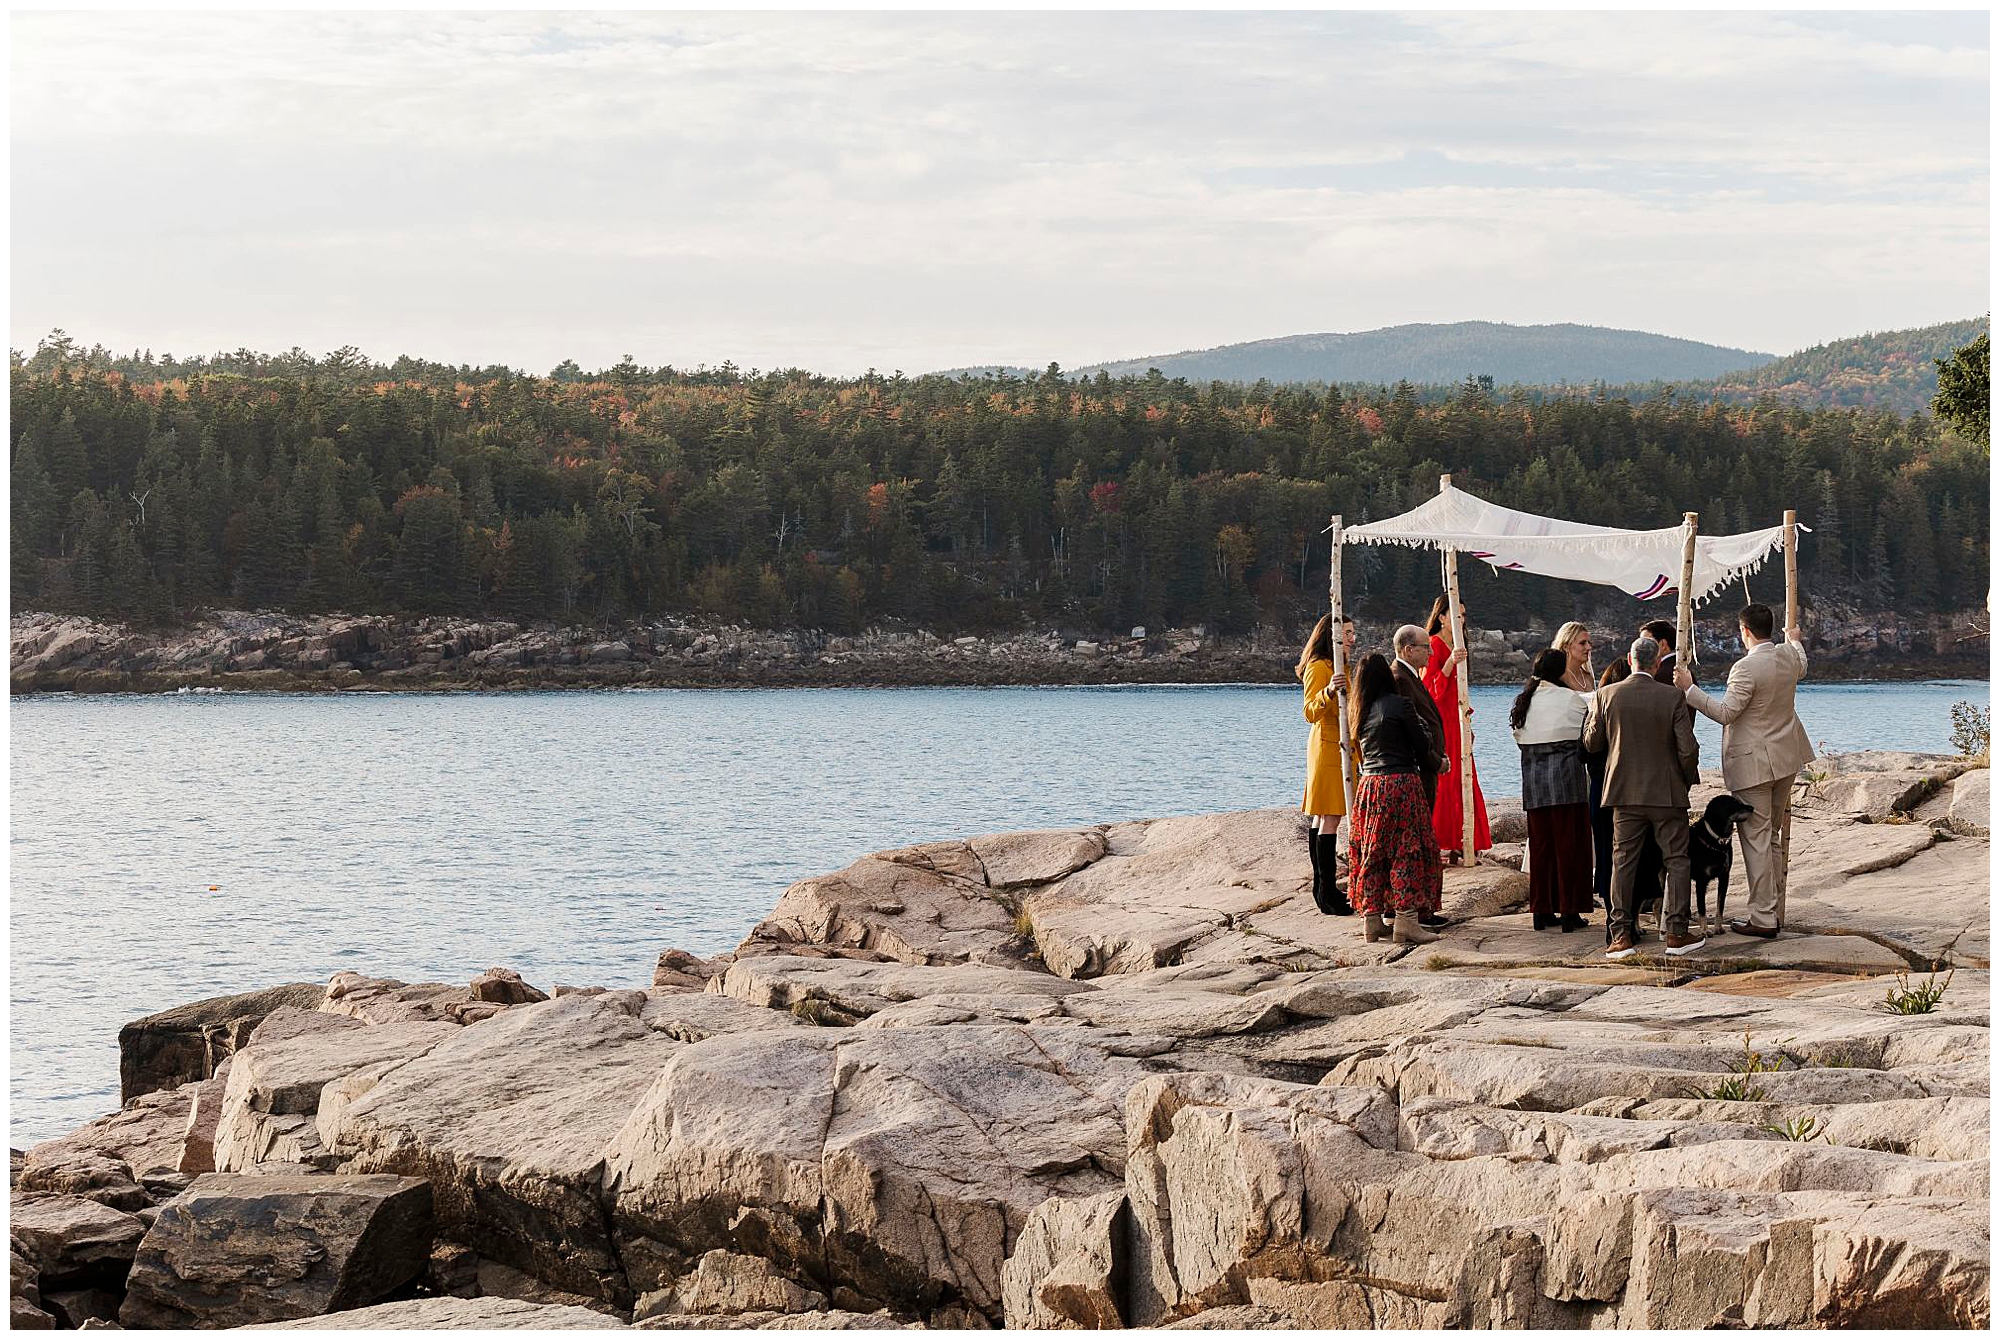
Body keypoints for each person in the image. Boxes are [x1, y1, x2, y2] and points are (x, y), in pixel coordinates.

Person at [1675, 603, 1812, 938]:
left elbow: (1725, 713)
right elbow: (1803, 665)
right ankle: (1771, 909)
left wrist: (1689, 690)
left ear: (1744, 631)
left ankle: (1763, 918)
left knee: (1757, 840)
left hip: (1753, 765)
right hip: (1785, 757)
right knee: (1772, 837)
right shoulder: (1789, 656)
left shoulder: (1746, 668)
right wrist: (1794, 640)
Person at [1585, 636, 1703, 960]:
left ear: (1630, 658)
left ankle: (1620, 935)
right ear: (1656, 663)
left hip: (1623, 791)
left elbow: (1592, 742)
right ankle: (1677, 932)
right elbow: (1688, 748)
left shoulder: (1606, 694)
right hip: (1666, 792)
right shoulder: (1673, 697)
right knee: (1677, 860)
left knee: (1623, 861)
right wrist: (1685, 779)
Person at [1348, 653, 1445, 945]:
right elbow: (1421, 742)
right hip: (1401, 783)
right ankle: (1406, 922)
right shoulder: (1400, 705)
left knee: (1372, 854)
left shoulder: (1359, 711)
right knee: (1407, 853)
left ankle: (1372, 922)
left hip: (1370, 786)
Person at [1510, 648, 1592, 932]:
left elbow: (1519, 738)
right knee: (1570, 848)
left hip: (1534, 783)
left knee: (1542, 849)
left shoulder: (1525, 701)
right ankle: (1570, 911)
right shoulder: (1570, 699)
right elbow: (1589, 735)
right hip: (1567, 782)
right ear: (1561, 671)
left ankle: (1541, 910)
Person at [1389, 624, 1451, 928]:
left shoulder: (1412, 677)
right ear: (1407, 650)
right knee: (1413, 841)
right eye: (1425, 646)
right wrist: (1434, 759)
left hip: (1424, 770)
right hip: (1417, 771)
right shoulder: (1400, 679)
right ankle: (1412, 910)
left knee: (1420, 838)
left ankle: (1415, 907)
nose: (1430, 651)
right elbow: (1411, 729)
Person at [1421, 595, 1491, 857]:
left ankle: (1462, 840)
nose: (1461, 620)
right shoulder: (1433, 644)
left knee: (1464, 777)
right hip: (1441, 720)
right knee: (1447, 779)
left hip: (1457, 718)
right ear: (1441, 617)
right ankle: (1442, 841)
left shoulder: (1457, 643)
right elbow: (1431, 689)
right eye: (1456, 614)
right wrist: (1450, 663)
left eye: (1463, 614)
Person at [1296, 614, 1357, 916]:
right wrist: (1329, 691)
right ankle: (1326, 889)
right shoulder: (1320, 666)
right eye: (1347, 633)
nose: (1352, 638)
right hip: (1326, 745)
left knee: (1323, 817)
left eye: (1352, 632)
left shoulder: (1341, 665)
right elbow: (1309, 711)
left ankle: (1323, 889)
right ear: (1330, 636)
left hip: (1341, 745)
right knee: (1329, 815)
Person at [1552, 622, 1595, 692]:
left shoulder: (1589, 678)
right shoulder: (1558, 677)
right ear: (1566, 647)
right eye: (1582, 643)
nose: (1589, 647)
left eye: (1589, 643)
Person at [1640, 619, 1680, 684]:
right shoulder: (1682, 669)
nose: (1641, 647)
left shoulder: (1660, 675)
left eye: (1646, 643)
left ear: (1663, 644)